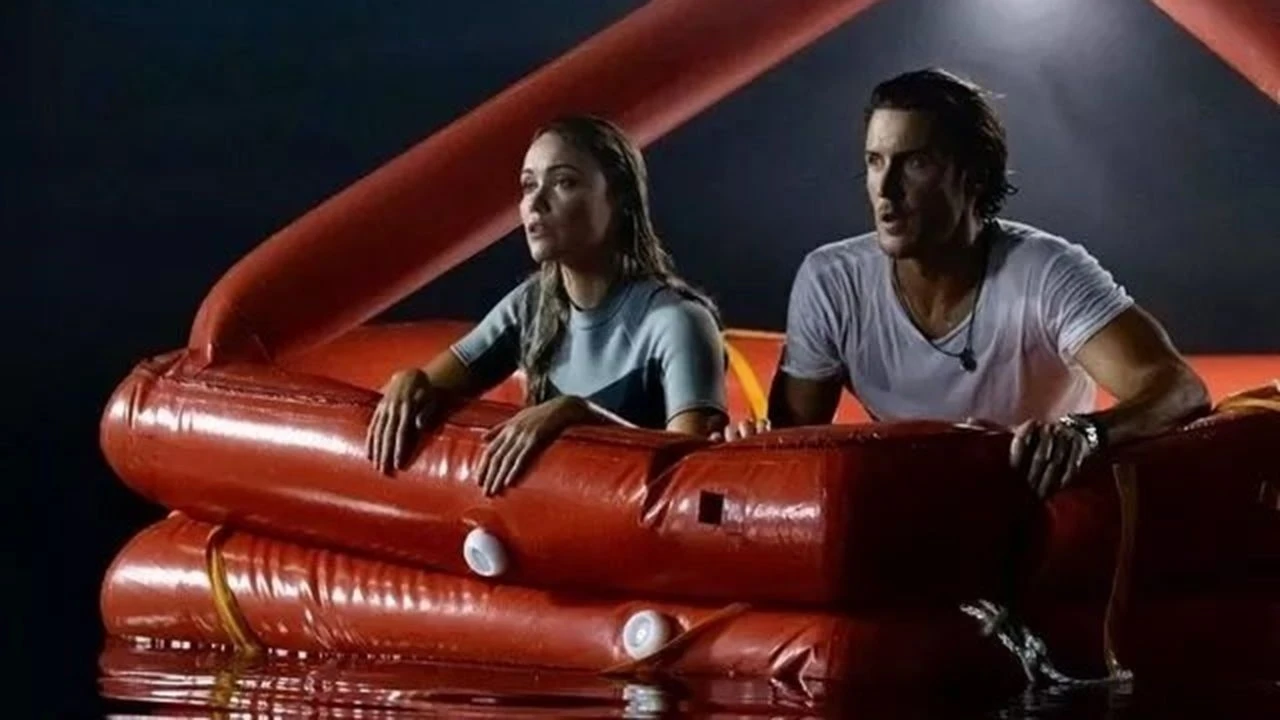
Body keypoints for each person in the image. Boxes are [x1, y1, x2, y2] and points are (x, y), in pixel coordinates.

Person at [722, 68, 1210, 498]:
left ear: (973, 177)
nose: (886, 189)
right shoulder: (831, 281)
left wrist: (1087, 433)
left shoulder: (1047, 271)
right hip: (906, 518)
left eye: (915, 163)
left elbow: (1179, 389)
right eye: (875, 161)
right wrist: (749, 451)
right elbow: (790, 445)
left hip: (1039, 517)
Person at [366, 115, 728, 496]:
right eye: (528, 185)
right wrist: (409, 381)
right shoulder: (531, 305)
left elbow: (690, 480)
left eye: (564, 183)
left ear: (621, 198)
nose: (535, 203)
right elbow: (427, 387)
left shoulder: (678, 322)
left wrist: (578, 417)